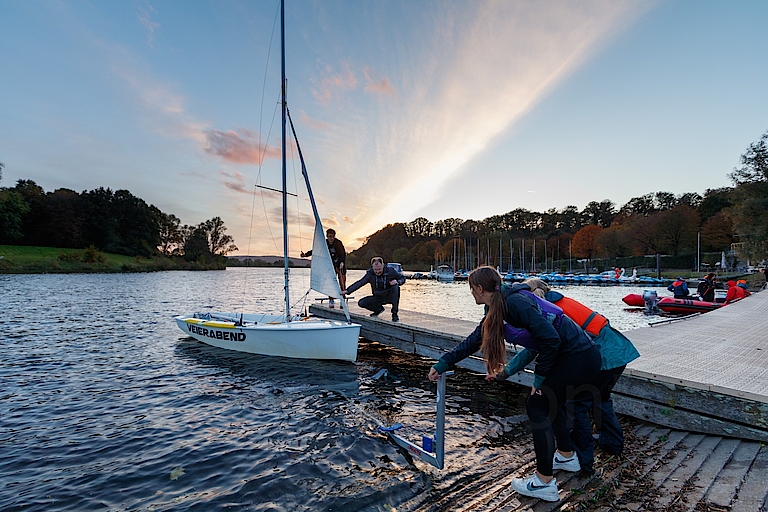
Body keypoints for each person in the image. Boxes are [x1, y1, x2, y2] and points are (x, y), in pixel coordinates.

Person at [428, 267, 600, 502]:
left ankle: (544, 482)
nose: (471, 294)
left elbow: (550, 339)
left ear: (479, 288)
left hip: (578, 356)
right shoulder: (497, 307)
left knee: (538, 406)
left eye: (471, 289)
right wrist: (443, 363)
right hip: (578, 357)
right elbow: (473, 341)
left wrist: (539, 380)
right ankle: (567, 456)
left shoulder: (515, 303)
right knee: (552, 404)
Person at [518, 278, 640, 473]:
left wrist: (508, 370)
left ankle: (582, 460)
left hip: (603, 355)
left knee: (576, 404)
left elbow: (536, 348)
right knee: (601, 398)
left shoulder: (547, 312)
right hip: (619, 349)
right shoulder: (562, 301)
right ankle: (612, 443)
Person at [342, 257, 405, 322]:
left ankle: (394, 314)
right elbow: (360, 283)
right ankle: (378, 309)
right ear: (372, 267)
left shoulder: (390, 271)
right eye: (375, 270)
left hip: (389, 295)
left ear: (383, 265)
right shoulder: (370, 274)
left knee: (396, 287)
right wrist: (347, 291)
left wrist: (397, 281)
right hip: (378, 296)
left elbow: (402, 278)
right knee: (361, 303)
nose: (378, 271)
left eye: (379, 269)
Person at [301, 228, 346, 308]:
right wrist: (306, 255)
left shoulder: (338, 243)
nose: (331, 238)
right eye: (330, 236)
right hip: (330, 265)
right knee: (330, 283)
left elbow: (343, 253)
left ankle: (342, 300)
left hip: (339, 264)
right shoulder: (324, 243)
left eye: (333, 236)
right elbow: (315, 250)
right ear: (327, 236)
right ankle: (331, 299)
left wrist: (342, 262)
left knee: (342, 283)